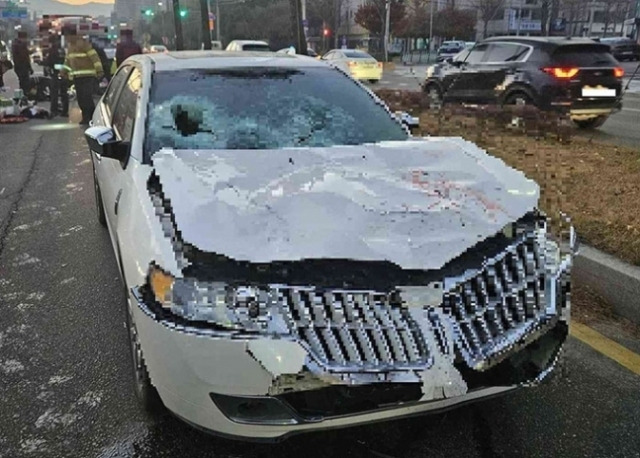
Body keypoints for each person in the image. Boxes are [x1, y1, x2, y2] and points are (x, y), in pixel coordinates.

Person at [60, 26, 103, 125]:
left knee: (86, 97)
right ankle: (85, 117)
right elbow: (68, 61)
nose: (67, 39)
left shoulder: (84, 44)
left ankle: (92, 117)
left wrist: (99, 70)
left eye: (67, 36)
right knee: (80, 98)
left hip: (88, 76)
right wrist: (63, 71)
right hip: (77, 77)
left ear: (73, 35)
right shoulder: (70, 47)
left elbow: (94, 57)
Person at [43, 33, 68, 117]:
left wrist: (43, 63)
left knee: (54, 93)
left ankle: (54, 110)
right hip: (63, 73)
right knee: (64, 93)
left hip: (55, 74)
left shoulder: (52, 50)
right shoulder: (62, 50)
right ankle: (65, 111)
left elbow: (49, 62)